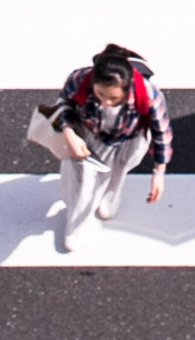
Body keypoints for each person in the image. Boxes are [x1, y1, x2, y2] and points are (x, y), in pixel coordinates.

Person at [50, 40, 173, 249]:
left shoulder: (149, 94)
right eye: (101, 95)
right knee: (84, 186)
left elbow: (161, 132)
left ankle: (110, 197)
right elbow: (63, 104)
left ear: (128, 87)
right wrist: (70, 132)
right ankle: (76, 223)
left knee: (119, 171)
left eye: (115, 98)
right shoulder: (80, 79)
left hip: (130, 139)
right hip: (90, 137)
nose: (106, 102)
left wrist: (159, 172)